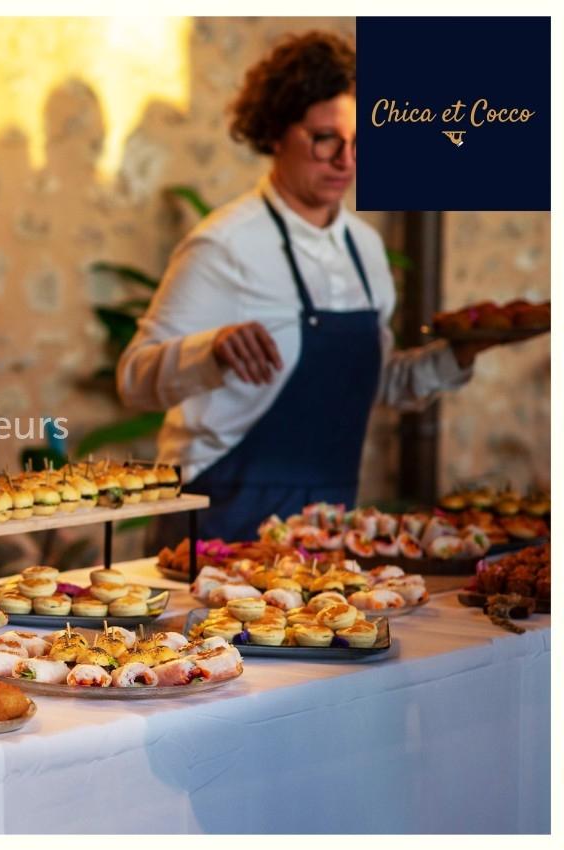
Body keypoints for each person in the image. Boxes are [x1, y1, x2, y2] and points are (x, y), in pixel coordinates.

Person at [117, 31, 503, 543]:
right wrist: (209, 350)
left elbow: (375, 382)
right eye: (325, 139)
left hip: (328, 524)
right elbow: (133, 379)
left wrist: (461, 354)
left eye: (359, 141)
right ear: (277, 132)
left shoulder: (365, 250)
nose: (345, 160)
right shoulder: (225, 245)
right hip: (221, 516)